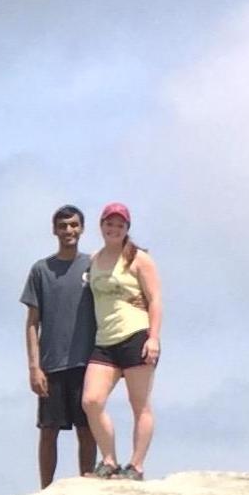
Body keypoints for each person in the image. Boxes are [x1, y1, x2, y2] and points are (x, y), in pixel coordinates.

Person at [81, 202, 162, 479]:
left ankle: (136, 465)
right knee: (91, 401)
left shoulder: (139, 259)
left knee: (139, 403)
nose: (114, 229)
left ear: (127, 228)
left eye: (120, 225)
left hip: (136, 334)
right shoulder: (94, 259)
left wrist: (153, 338)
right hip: (105, 339)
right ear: (101, 225)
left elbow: (156, 300)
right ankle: (109, 460)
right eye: (109, 223)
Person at [20, 205, 98, 486]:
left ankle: (87, 484)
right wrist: (34, 366)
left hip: (86, 362)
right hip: (51, 363)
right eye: (63, 226)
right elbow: (32, 322)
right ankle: (45, 489)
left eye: (74, 225)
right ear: (54, 230)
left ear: (82, 228)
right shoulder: (41, 270)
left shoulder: (94, 265)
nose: (69, 231)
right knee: (48, 429)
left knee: (87, 428)